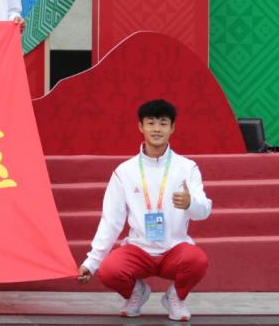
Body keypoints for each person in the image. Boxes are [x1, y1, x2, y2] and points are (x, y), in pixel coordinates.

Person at [77, 99, 211, 321]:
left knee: (197, 261)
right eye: (151, 123)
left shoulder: (187, 168)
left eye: (163, 123)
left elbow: (204, 211)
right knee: (109, 270)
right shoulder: (124, 171)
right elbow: (111, 221)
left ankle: (175, 297)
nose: (157, 129)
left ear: (172, 128)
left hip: (174, 248)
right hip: (138, 250)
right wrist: (91, 262)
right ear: (141, 127)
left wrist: (191, 204)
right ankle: (137, 293)